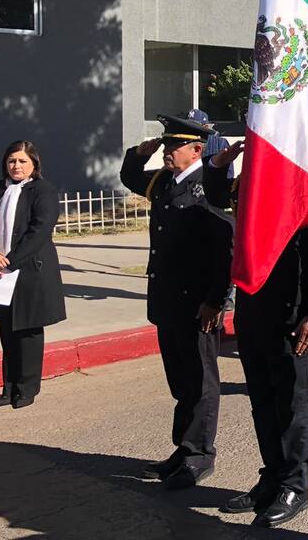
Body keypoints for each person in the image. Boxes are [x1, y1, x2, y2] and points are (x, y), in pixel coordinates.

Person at [203, 141, 308, 527]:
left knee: (293, 404)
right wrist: (219, 163)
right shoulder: (253, 183)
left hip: (292, 317)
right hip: (254, 312)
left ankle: (296, 484)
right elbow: (215, 197)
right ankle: (272, 476)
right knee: (262, 400)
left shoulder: (306, 183)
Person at [120, 114, 234, 491]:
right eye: (166, 144)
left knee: (201, 380)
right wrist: (138, 155)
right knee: (181, 380)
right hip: (168, 299)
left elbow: (224, 251)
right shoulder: (165, 182)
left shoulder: (210, 189)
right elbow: (131, 178)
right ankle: (182, 448)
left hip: (197, 303)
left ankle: (200, 455)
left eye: (174, 146)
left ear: (197, 150)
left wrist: (216, 300)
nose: (167, 151)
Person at [0, 140, 65, 408]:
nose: (16, 166)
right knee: (7, 329)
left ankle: (27, 387)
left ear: (34, 164)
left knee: (28, 331)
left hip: (29, 269)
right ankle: (9, 386)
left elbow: (39, 230)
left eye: (23, 161)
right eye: (12, 160)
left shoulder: (43, 191)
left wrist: (10, 260)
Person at [186, 108, 234, 179]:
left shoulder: (220, 143)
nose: (190, 129)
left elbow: (228, 175)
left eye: (195, 126)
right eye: (188, 126)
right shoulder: (183, 143)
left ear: (206, 127)